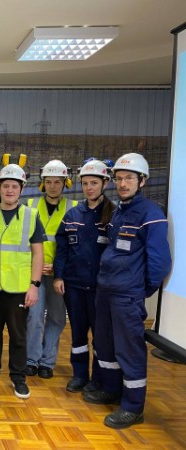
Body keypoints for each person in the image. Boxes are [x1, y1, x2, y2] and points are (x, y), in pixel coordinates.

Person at [83, 153, 171, 429]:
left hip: (126, 295)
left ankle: (133, 408)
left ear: (142, 181)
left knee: (129, 350)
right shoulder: (118, 211)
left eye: (129, 178)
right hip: (105, 291)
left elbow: (160, 262)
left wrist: (139, 290)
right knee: (105, 345)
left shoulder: (151, 215)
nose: (123, 183)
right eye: (119, 178)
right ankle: (111, 390)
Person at [0, 164, 45, 399]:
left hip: (19, 287)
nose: (10, 190)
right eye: (6, 186)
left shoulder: (31, 216)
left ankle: (18, 377)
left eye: (14, 186)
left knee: (18, 335)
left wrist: (34, 285)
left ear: (21, 189)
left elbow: (38, 253)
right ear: (0, 188)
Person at [53, 159, 115, 393]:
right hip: (74, 287)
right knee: (78, 334)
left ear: (105, 183)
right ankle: (79, 375)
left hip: (101, 289)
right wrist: (59, 276)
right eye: (86, 183)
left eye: (94, 183)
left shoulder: (114, 215)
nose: (89, 188)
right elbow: (62, 250)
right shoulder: (72, 215)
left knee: (100, 337)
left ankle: (98, 379)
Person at [26, 159, 78, 379]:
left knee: (57, 318)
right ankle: (31, 360)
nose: (53, 186)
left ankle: (47, 362)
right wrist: (36, 266)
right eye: (48, 182)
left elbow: (74, 246)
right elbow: (24, 241)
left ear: (65, 183)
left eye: (57, 182)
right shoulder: (29, 206)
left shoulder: (74, 208)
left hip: (59, 275)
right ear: (42, 183)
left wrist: (58, 269)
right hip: (35, 272)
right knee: (34, 317)